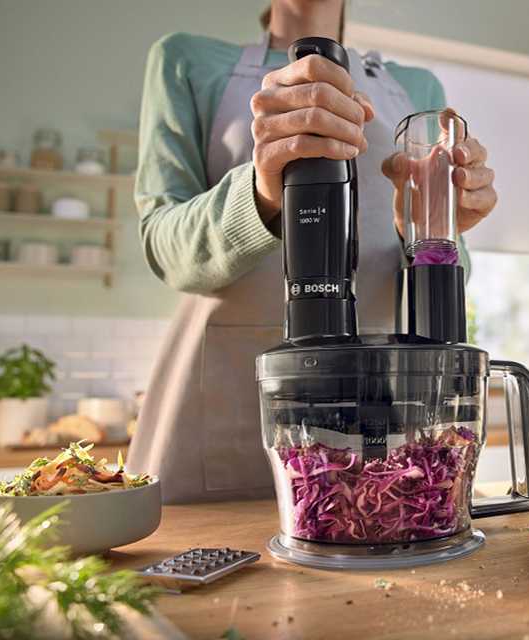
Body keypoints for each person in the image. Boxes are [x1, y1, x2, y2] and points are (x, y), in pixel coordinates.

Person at [129, 0, 498, 503]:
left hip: (387, 406)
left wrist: (434, 228)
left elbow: (449, 275)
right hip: (232, 403)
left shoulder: (418, 87)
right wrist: (262, 190)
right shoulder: (185, 60)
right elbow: (164, 248)